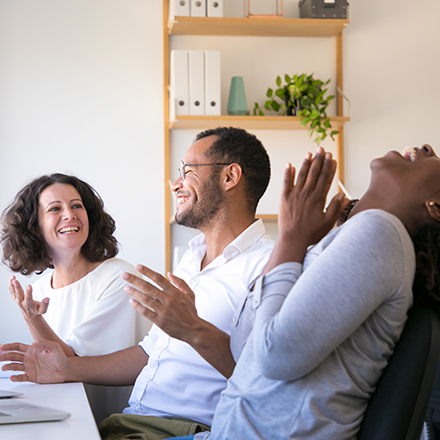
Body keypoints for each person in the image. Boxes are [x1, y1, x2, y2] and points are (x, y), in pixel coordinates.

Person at [0, 126, 279, 440]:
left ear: (229, 177)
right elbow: (149, 353)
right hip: (130, 423)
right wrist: (65, 369)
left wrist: (192, 329)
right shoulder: (191, 259)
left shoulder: (269, 268)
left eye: (188, 171)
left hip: (185, 430)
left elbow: (266, 380)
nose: (177, 184)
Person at [160, 144, 440, 440]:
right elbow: (245, 349)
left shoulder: (381, 232)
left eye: (435, 157)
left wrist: (291, 237)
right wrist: (296, 243)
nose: (425, 148)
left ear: (435, 207)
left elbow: (273, 357)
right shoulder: (344, 240)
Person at [0, 173, 149, 422]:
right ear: (35, 227)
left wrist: (32, 320)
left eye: (76, 205)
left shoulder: (118, 277)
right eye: (55, 208)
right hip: (64, 413)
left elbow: (69, 364)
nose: (69, 215)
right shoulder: (38, 290)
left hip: (113, 424)